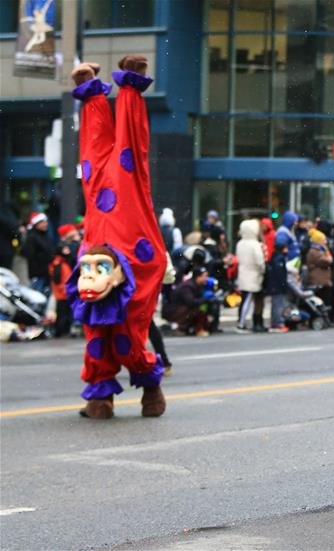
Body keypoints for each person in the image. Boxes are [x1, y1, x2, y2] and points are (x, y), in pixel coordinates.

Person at [67, 55, 168, 419]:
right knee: (96, 332)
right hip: (98, 244)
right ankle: (100, 392)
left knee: (130, 155)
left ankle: (149, 381)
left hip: (132, 246)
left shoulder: (135, 189)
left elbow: (135, 150)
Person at [235, 218, 266, 333]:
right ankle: (241, 324)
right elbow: (259, 261)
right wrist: (263, 269)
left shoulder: (240, 243)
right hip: (254, 275)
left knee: (245, 300)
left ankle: (242, 322)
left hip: (243, 274)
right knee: (249, 301)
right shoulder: (255, 244)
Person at [162, 267, 211, 337]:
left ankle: (188, 327)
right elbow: (191, 302)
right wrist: (205, 300)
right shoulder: (187, 286)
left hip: (179, 309)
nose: (207, 278)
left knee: (201, 307)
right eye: (205, 276)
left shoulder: (198, 285)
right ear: (198, 277)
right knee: (197, 309)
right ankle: (179, 328)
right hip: (173, 311)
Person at [20, 212, 54, 296]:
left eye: (45, 222)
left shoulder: (46, 236)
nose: (45, 224)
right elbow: (29, 254)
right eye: (42, 222)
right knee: (36, 297)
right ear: (36, 224)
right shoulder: (32, 237)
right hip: (38, 274)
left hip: (47, 273)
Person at [266, 232, 290, 333]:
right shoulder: (280, 259)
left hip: (274, 286)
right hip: (278, 286)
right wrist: (284, 285)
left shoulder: (274, 257)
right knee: (278, 305)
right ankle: (278, 324)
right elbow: (280, 275)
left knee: (275, 304)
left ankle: (274, 323)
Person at [305, 228, 333, 308]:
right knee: (321, 302)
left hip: (322, 280)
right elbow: (328, 261)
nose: (325, 241)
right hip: (318, 281)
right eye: (323, 239)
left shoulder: (321, 250)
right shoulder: (314, 251)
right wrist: (329, 256)